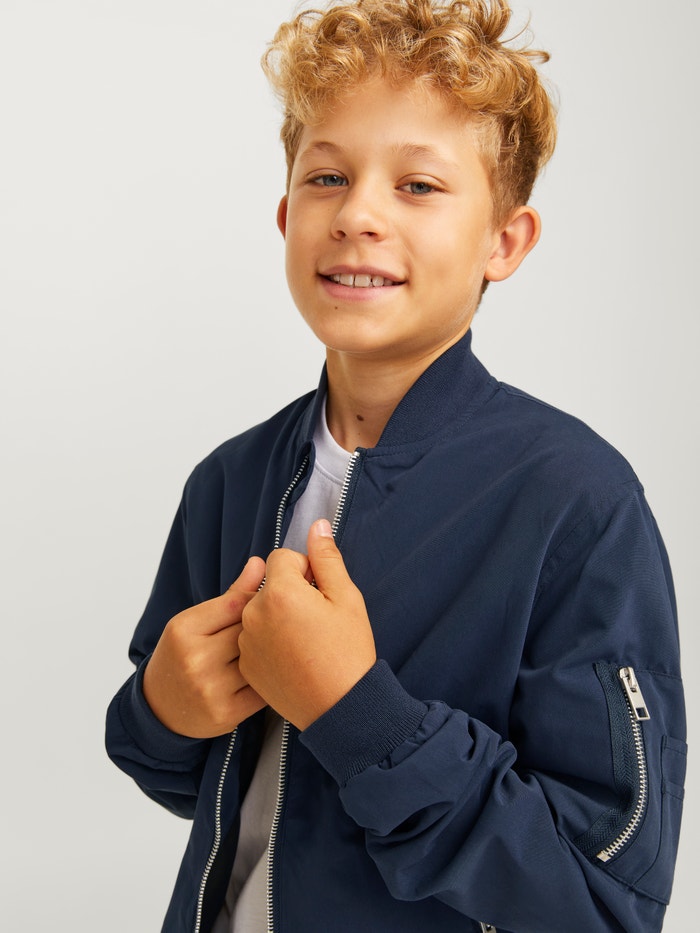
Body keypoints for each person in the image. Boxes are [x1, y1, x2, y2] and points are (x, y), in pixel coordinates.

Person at [105, 1, 686, 930]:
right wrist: (159, 708)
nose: (358, 215)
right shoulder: (228, 480)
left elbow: (601, 900)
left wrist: (356, 712)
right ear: (287, 215)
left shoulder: (576, 502)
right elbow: (187, 777)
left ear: (504, 240)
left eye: (418, 185)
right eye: (328, 176)